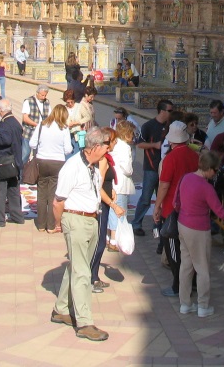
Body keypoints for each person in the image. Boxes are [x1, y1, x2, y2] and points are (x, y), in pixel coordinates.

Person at [49, 127, 115, 342]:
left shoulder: (93, 165)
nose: (109, 149)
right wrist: (59, 223)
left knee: (78, 267)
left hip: (90, 218)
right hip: (75, 219)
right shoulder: (73, 167)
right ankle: (85, 322)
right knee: (82, 273)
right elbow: (58, 200)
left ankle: (61, 309)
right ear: (96, 147)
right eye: (107, 145)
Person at [177, 151, 224, 317]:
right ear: (209, 169)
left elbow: (179, 200)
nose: (216, 173)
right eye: (216, 170)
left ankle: (185, 304)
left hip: (183, 224)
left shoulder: (186, 178)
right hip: (198, 229)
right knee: (202, 267)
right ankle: (203, 305)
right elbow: (221, 213)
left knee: (186, 265)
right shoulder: (206, 187)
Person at [153, 121, 200, 297]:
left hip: (172, 210)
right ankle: (192, 282)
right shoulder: (194, 156)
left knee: (174, 250)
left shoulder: (170, 158)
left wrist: (157, 206)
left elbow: (164, 186)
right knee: (189, 251)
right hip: (192, 209)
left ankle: (178, 285)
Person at [30, 103, 73, 232]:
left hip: (42, 161)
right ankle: (51, 225)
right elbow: (68, 149)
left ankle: (41, 225)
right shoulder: (64, 128)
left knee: (41, 193)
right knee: (53, 194)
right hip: (57, 163)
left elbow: (32, 143)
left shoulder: (42, 125)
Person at [89, 134, 123, 294]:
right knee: (99, 242)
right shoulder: (102, 160)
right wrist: (112, 204)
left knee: (100, 241)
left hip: (105, 201)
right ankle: (91, 277)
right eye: (113, 141)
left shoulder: (105, 159)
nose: (115, 143)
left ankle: (94, 276)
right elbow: (98, 185)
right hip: (101, 205)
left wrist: (112, 191)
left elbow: (105, 182)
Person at [133, 99, 174, 235]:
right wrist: (154, 145)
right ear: (162, 111)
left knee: (162, 199)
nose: (171, 113)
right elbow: (139, 144)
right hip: (151, 168)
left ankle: (157, 226)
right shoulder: (148, 126)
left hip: (166, 169)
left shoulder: (171, 127)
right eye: (169, 111)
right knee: (146, 198)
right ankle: (137, 224)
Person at [0, 100, 25, 227]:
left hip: (3, 162)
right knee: (13, 190)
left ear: (1, 110)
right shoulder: (15, 122)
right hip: (15, 162)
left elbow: (5, 140)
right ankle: (17, 216)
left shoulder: (5, 124)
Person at [107, 120, 136, 251]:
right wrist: (131, 170)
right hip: (121, 182)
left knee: (112, 211)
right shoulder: (124, 147)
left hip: (112, 182)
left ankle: (109, 238)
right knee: (119, 212)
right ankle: (114, 240)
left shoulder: (115, 144)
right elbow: (127, 167)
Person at [21, 85, 51, 174]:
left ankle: (34, 175)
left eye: (45, 95)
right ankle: (20, 174)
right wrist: (37, 125)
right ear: (37, 93)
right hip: (29, 133)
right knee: (25, 154)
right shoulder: (28, 101)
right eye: (42, 95)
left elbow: (49, 117)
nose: (44, 97)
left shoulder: (47, 102)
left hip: (41, 134)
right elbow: (25, 118)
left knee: (38, 155)